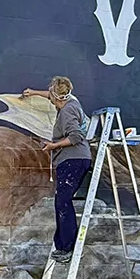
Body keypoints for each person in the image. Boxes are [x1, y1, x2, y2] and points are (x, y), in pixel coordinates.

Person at [22, 76, 92, 263]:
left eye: (51, 94)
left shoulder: (68, 111)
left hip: (73, 160)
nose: (50, 98)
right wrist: (34, 93)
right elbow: (53, 96)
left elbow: (76, 136)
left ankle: (67, 248)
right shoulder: (71, 101)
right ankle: (64, 244)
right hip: (76, 159)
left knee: (62, 203)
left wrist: (53, 146)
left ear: (59, 97)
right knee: (62, 202)